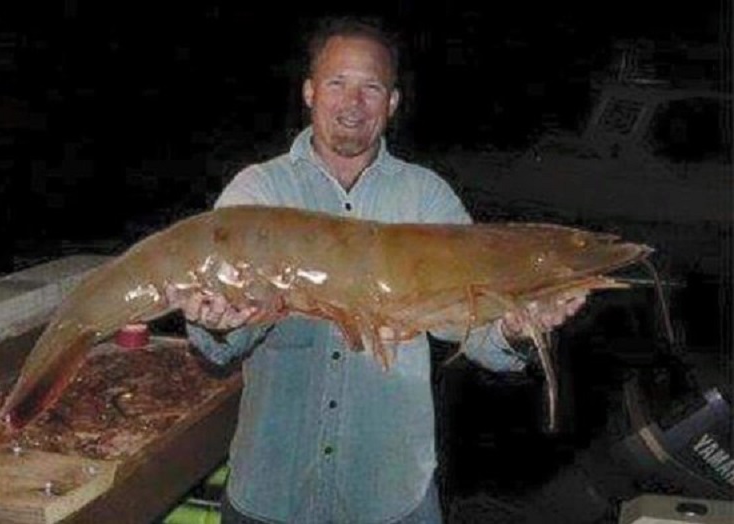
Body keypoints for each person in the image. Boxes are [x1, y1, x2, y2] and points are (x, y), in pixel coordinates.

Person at [166, 17, 586, 524]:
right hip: (273, 488)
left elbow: (473, 328)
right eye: (337, 83)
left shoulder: (426, 197)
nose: (353, 102)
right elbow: (221, 347)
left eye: (371, 87)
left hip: (391, 493)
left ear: (392, 103)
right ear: (309, 92)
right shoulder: (259, 191)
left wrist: (516, 328)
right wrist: (214, 320)